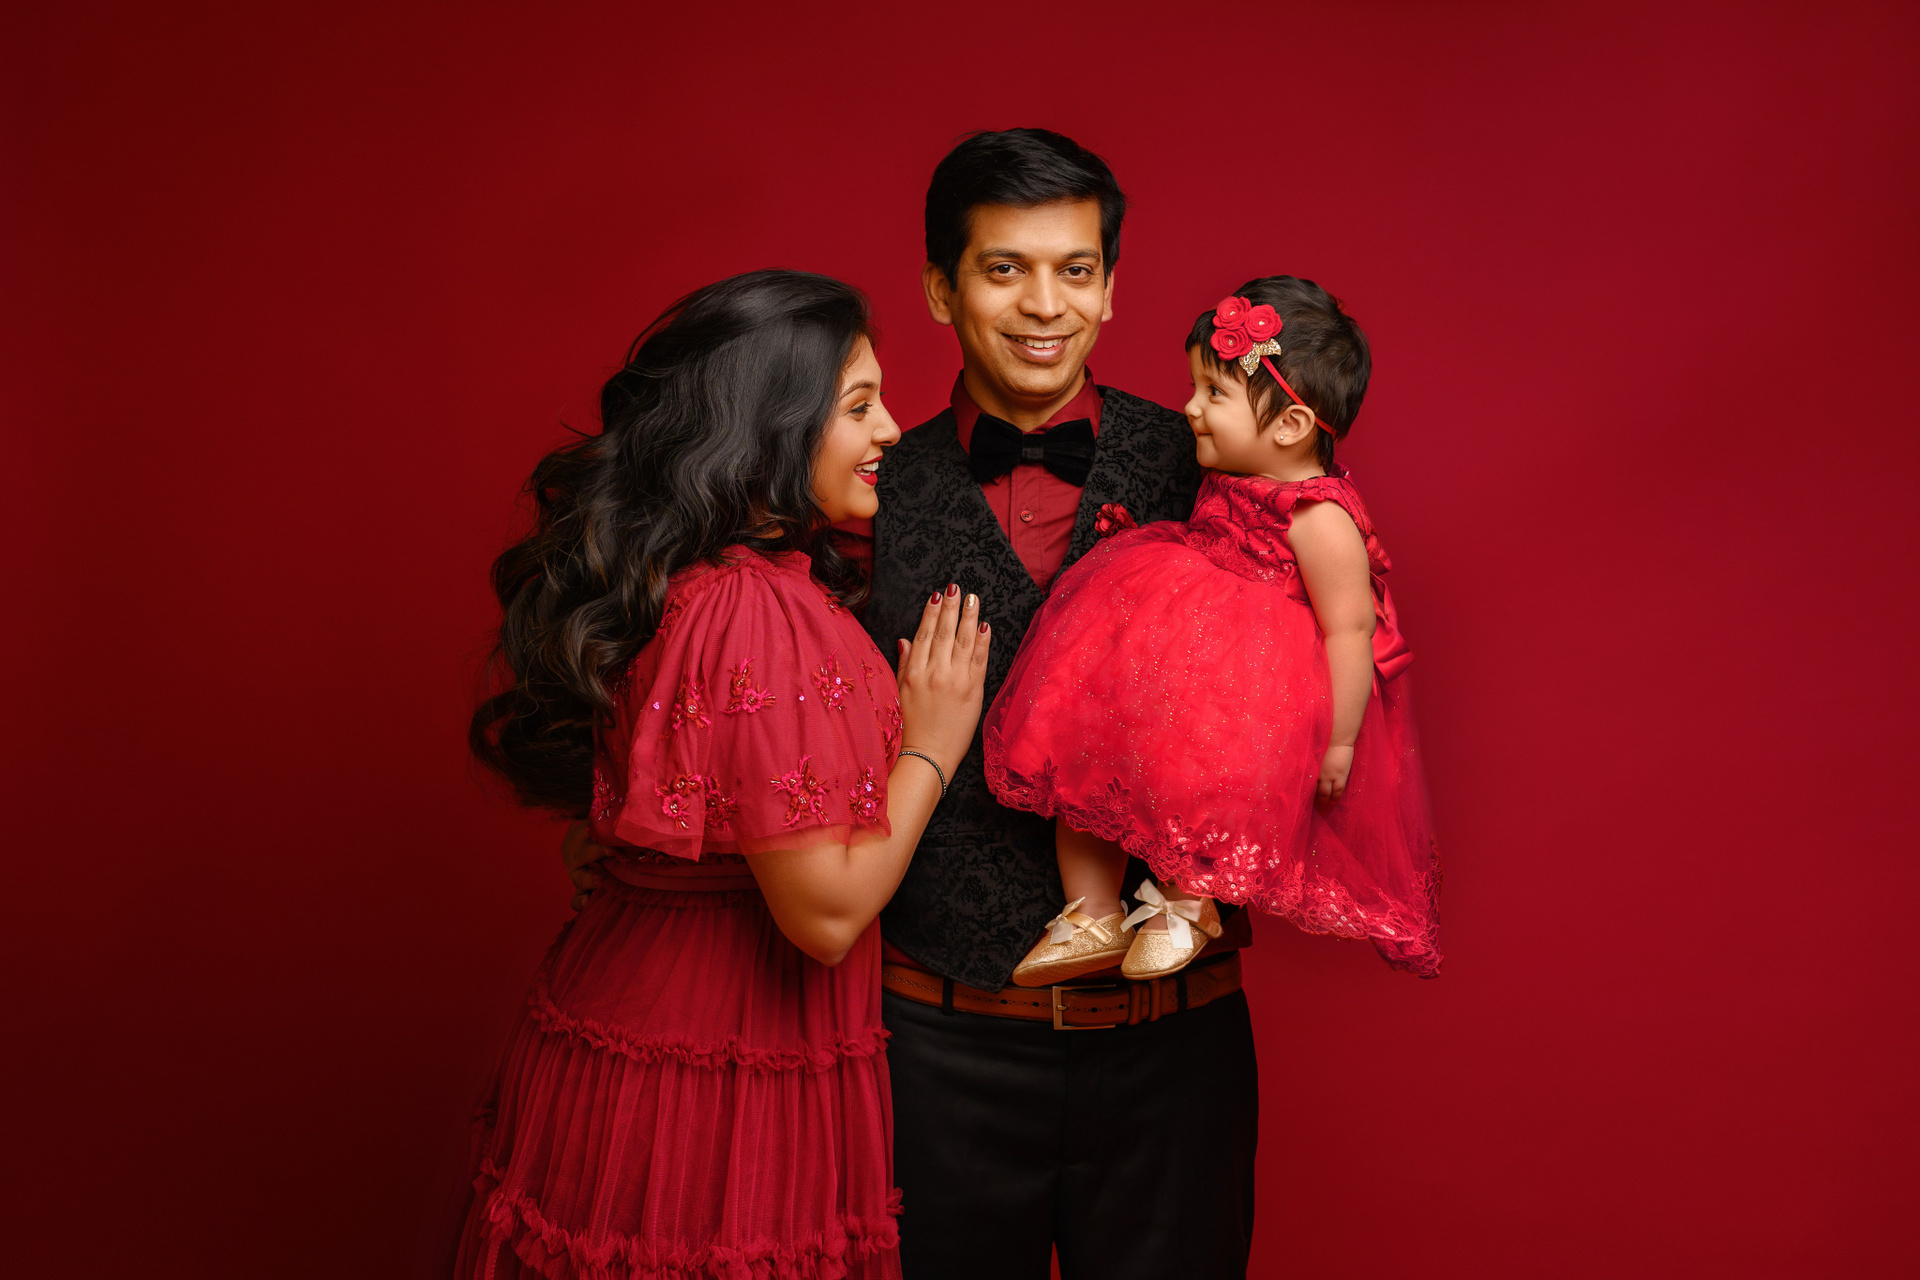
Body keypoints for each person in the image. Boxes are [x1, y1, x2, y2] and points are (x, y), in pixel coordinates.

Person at [458, 269, 991, 1279]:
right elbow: (826, 913)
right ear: (770, 425)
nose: (889, 430)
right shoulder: (757, 608)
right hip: (713, 1046)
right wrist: (933, 739)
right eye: (858, 406)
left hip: (644, 1013)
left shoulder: (710, 580)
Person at [855, 130, 1260, 1279]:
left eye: (1075, 269)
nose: (1045, 305)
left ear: (1111, 285)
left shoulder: (1214, 467)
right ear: (941, 289)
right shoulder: (863, 482)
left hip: (1175, 1047)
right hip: (935, 1046)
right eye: (1004, 269)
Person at [985, 278, 1443, 988]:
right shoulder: (1227, 473)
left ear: (1290, 426)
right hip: (1173, 649)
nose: (1191, 408)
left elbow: (1351, 630)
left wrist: (1342, 739)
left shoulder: (1319, 517)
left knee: (1205, 786)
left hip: (1250, 689)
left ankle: (1187, 901)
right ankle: (1092, 910)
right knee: (1085, 742)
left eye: (1213, 393)